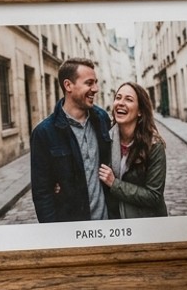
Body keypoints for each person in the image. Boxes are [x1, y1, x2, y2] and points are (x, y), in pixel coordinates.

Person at [30, 57, 116, 223]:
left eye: (96, 82)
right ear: (68, 85)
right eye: (89, 83)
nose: (96, 89)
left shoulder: (102, 119)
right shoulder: (44, 133)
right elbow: (42, 194)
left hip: (107, 223)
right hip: (73, 226)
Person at [98, 81, 168, 218]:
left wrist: (114, 184)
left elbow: (154, 195)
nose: (121, 103)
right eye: (118, 98)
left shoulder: (154, 146)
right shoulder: (105, 140)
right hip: (115, 222)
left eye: (128, 99)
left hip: (145, 223)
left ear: (140, 111)